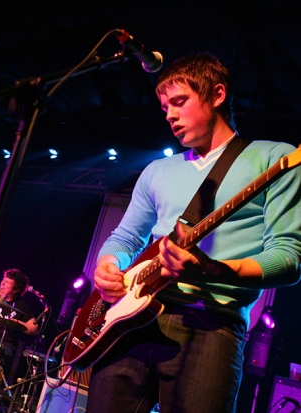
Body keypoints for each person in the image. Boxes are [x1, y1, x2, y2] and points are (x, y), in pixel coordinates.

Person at [84, 52, 301, 413]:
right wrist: (107, 263)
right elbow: (125, 237)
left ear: (217, 95)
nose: (169, 114)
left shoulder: (274, 159)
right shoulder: (156, 170)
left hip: (211, 325)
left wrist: (212, 270)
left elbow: (290, 259)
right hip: (130, 323)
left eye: (179, 101)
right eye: (165, 106)